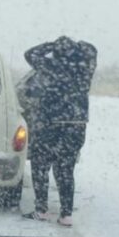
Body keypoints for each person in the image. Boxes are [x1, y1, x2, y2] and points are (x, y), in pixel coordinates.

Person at [22, 35, 97, 226]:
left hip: (50, 121)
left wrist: (51, 45)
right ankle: (66, 214)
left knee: (40, 164)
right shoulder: (85, 68)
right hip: (76, 124)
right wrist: (78, 47)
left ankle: (41, 210)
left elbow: (30, 53)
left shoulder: (50, 65)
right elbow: (92, 50)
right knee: (66, 169)